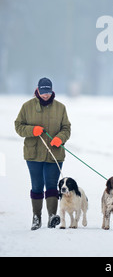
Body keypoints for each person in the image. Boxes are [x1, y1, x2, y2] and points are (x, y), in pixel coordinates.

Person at [15, 77, 71, 230]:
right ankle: (36, 217)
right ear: (37, 90)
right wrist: (32, 130)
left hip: (54, 153)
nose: (45, 95)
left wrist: (60, 138)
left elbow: (66, 128)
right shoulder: (27, 107)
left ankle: (52, 216)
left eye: (48, 92)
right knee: (37, 185)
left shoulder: (60, 108)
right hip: (33, 154)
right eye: (42, 92)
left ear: (52, 91)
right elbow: (18, 126)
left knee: (52, 185)